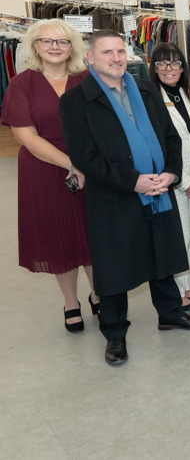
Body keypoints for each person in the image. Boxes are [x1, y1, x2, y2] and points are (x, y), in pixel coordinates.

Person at [60, 30, 190, 366]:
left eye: (120, 51)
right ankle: (114, 334)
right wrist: (134, 182)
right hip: (115, 196)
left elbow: (171, 136)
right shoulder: (75, 101)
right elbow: (85, 156)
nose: (116, 58)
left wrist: (171, 173)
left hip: (159, 188)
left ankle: (170, 313)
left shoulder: (145, 89)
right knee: (114, 268)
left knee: (163, 256)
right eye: (107, 52)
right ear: (90, 58)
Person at [1, 20, 95, 332]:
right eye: (47, 41)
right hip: (43, 171)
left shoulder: (86, 79)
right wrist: (72, 165)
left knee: (94, 235)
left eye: (62, 42)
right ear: (35, 46)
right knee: (60, 237)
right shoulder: (22, 84)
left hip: (90, 166)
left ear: (73, 47)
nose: (55, 47)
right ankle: (71, 302)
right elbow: (26, 136)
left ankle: (99, 293)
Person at [149, 43, 190, 311]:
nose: (168, 69)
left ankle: (185, 286)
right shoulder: (150, 100)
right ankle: (176, 293)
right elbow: (159, 147)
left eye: (174, 63)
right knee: (178, 238)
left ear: (183, 67)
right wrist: (185, 181)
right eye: (162, 63)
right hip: (173, 182)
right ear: (154, 68)